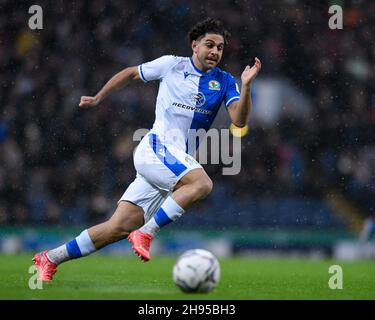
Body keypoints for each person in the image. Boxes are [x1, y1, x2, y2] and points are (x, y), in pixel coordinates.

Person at [33, 18, 261, 281]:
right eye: (209, 45)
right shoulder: (171, 64)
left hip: (172, 162)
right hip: (156, 148)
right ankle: (147, 232)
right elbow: (131, 73)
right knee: (202, 184)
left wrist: (246, 86)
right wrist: (98, 97)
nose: (215, 52)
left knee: (117, 227)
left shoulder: (226, 81)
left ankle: (50, 258)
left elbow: (240, 120)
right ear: (194, 45)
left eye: (220, 48)